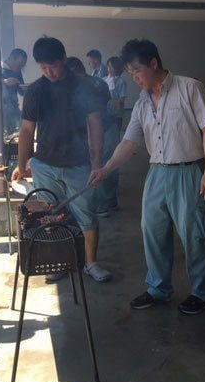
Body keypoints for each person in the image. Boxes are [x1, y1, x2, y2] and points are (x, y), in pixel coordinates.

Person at [89, 38, 205, 315]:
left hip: (188, 172)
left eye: (137, 71)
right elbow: (128, 142)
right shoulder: (142, 103)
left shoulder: (189, 88)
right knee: (153, 232)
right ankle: (159, 289)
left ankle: (203, 293)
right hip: (157, 172)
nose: (134, 78)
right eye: (130, 73)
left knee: (193, 235)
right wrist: (106, 169)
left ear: (154, 63)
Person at [12, 38, 111, 282]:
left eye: (53, 66)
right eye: (43, 67)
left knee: (86, 214)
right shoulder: (35, 90)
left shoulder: (83, 86)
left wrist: (97, 162)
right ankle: (59, 261)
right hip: (45, 164)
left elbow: (95, 125)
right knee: (50, 216)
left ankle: (90, 263)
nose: (49, 72)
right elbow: (27, 131)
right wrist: (21, 165)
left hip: (78, 164)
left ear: (64, 60)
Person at [66, 57, 120, 216]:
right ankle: (111, 200)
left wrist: (89, 141)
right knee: (111, 166)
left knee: (96, 167)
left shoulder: (79, 86)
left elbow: (92, 118)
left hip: (97, 131)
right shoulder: (99, 82)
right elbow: (109, 105)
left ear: (73, 71)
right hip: (111, 128)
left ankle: (102, 206)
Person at [2, 48, 28, 135]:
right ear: (11, 58)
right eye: (19, 65)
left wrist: (26, 89)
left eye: (22, 66)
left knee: (19, 132)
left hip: (14, 108)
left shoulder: (18, 71)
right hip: (2, 110)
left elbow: (21, 91)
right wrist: (4, 82)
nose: (20, 68)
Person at [104, 56, 127, 131]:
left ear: (117, 68)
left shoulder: (121, 81)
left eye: (111, 67)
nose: (109, 69)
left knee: (116, 132)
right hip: (106, 113)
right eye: (108, 66)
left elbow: (122, 99)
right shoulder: (104, 80)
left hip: (117, 114)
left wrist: (113, 103)